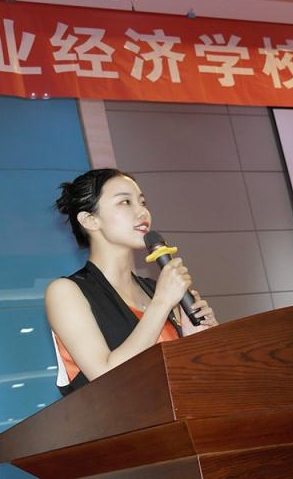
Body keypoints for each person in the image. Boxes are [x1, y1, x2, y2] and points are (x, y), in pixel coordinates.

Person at [46, 168, 218, 395]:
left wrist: (196, 338)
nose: (142, 212)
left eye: (142, 202)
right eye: (125, 202)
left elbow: (190, 375)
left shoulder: (156, 290)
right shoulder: (65, 292)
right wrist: (162, 303)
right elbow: (105, 375)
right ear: (90, 220)